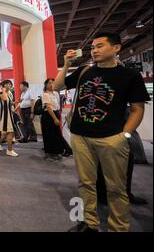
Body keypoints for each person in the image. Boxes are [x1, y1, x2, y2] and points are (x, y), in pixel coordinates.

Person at [54, 32, 150, 232]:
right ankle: (90, 223)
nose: (95, 50)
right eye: (92, 47)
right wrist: (65, 64)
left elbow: (137, 109)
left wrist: (124, 135)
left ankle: (119, 227)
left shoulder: (129, 76)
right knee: (86, 183)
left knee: (116, 187)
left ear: (116, 48)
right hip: (81, 137)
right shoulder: (84, 71)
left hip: (111, 138)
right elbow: (57, 85)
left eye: (100, 46)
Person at [41, 78, 72, 161]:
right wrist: (55, 118)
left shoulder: (55, 93)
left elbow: (58, 106)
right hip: (48, 116)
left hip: (56, 113)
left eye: (53, 83)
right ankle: (49, 153)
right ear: (46, 85)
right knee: (49, 134)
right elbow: (49, 107)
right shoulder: (45, 94)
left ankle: (57, 151)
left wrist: (58, 116)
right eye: (49, 83)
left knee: (56, 134)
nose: (51, 84)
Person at [0, 80, 19, 157]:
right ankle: (9, 150)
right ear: (4, 85)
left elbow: (8, 103)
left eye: (10, 84)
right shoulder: (2, 93)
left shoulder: (8, 93)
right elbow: (4, 99)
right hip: (5, 115)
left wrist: (16, 102)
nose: (10, 85)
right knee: (10, 132)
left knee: (6, 133)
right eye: (8, 84)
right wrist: (3, 90)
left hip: (9, 114)